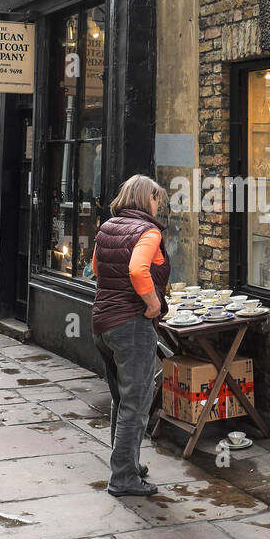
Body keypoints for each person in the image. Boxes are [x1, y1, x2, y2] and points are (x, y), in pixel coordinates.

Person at [90, 174, 170, 497]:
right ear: (144, 199)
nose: (158, 205)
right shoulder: (147, 231)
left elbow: (96, 268)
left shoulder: (107, 227)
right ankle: (123, 477)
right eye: (156, 200)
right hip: (131, 326)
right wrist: (153, 304)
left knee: (122, 399)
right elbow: (138, 270)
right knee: (136, 403)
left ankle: (125, 463)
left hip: (102, 324)